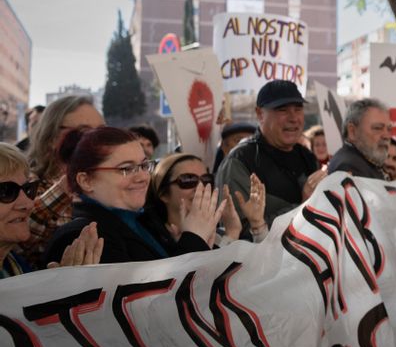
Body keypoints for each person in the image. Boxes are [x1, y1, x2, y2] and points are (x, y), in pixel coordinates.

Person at [44, 127, 220, 265]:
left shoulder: (144, 220)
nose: (143, 177)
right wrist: (194, 239)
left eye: (144, 166)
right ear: (86, 181)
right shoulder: (83, 237)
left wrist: (182, 242)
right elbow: (152, 297)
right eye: (126, 169)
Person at [216, 80, 325, 232]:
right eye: (283, 110)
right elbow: (238, 233)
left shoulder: (307, 156)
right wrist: (304, 205)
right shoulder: (239, 161)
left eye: (298, 109)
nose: (293, 118)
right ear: (260, 114)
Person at [21, 95, 105, 267]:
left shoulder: (106, 182)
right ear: (52, 138)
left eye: (102, 132)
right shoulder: (27, 183)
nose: (96, 140)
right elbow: (16, 241)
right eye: (84, 132)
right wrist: (67, 185)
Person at [0, 143, 102, 278]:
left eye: (28, 189)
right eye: (6, 192)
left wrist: (63, 284)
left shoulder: (13, 263)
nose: (28, 204)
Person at [146, 153, 269, 250]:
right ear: (163, 194)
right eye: (188, 180)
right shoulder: (151, 242)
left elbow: (263, 267)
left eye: (206, 180)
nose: (201, 187)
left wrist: (257, 223)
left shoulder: (217, 234)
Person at [328, 98, 391, 180]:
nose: (386, 136)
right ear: (352, 132)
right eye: (377, 128)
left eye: (389, 129)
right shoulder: (349, 166)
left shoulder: (365, 161)